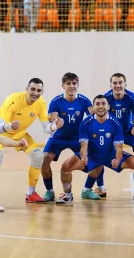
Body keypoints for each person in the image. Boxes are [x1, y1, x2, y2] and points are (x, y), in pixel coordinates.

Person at [55, 95, 134, 204]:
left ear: (108, 106)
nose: (101, 106)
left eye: (103, 104)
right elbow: (84, 146)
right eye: (98, 104)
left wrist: (117, 161)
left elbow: (119, 147)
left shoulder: (115, 123)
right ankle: (67, 195)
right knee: (66, 166)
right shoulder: (86, 123)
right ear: (93, 107)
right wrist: (84, 157)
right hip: (92, 155)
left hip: (110, 155)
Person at [0, 78, 63, 203]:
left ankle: (31, 193)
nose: (35, 93)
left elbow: (46, 128)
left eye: (39, 90)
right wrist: (9, 126)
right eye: (32, 89)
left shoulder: (40, 103)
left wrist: (55, 126)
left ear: (42, 92)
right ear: (27, 89)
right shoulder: (13, 100)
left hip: (18, 132)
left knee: (37, 156)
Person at [92, 73, 134, 196]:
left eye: (120, 83)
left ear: (125, 84)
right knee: (99, 154)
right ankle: (101, 187)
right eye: (115, 83)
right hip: (111, 134)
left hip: (128, 132)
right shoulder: (106, 98)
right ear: (111, 85)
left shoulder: (131, 97)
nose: (117, 85)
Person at [41, 73, 92, 201]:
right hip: (59, 137)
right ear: (63, 85)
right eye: (68, 83)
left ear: (78, 85)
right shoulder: (56, 101)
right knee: (44, 161)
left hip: (77, 138)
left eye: (74, 83)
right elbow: (51, 117)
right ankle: (49, 191)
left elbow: (93, 116)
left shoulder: (84, 100)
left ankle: (89, 189)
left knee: (95, 159)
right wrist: (55, 121)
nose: (71, 86)